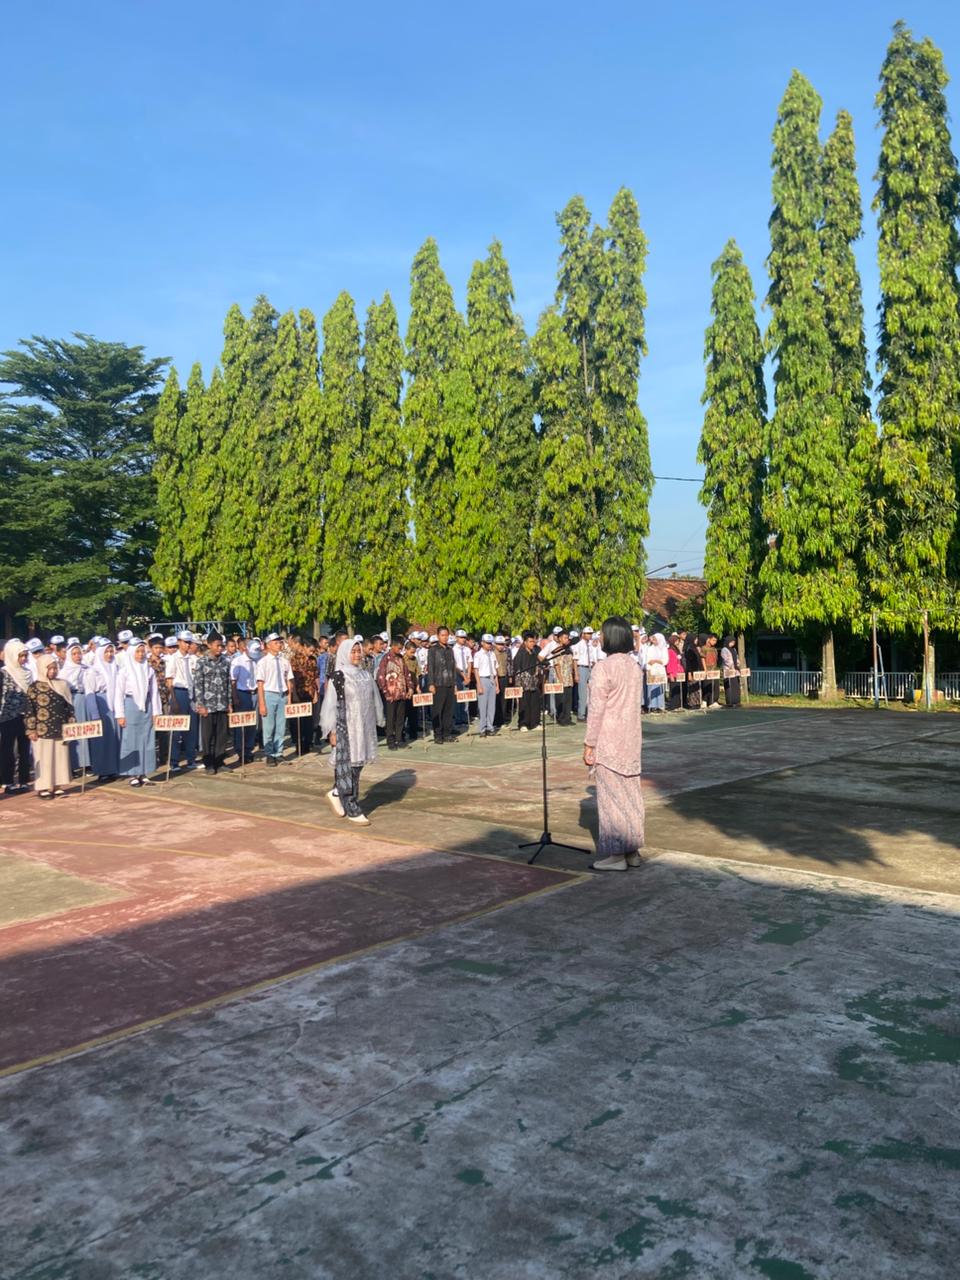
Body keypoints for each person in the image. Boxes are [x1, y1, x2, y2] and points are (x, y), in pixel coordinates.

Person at [582, 616, 645, 872]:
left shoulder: (603, 668)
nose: (600, 638)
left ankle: (616, 855)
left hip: (609, 739)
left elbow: (596, 709)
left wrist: (589, 743)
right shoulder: (634, 666)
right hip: (630, 739)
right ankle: (633, 851)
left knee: (610, 800)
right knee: (631, 796)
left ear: (611, 637)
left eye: (603, 634)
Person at [320, 636, 384, 824]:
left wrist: (377, 719)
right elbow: (331, 705)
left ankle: (336, 791)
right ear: (344, 653)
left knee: (358, 763)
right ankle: (352, 805)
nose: (356, 655)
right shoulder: (338, 676)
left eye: (358, 651)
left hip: (363, 726)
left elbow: (374, 700)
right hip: (346, 726)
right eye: (353, 651)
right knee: (348, 765)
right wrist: (332, 730)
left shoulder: (364, 674)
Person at [25, 653, 76, 799]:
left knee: (60, 757)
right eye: (49, 669)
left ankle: (58, 785)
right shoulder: (34, 687)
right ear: (42, 669)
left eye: (55, 668)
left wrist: (71, 724)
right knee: (44, 758)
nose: (53, 671)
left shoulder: (63, 684)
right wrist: (31, 730)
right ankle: (43, 787)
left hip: (61, 728)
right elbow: (30, 710)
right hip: (42, 730)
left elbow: (69, 707)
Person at [114, 638, 161, 786]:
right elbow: (118, 693)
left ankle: (144, 772)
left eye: (142, 651)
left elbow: (154, 692)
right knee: (131, 739)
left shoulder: (149, 669)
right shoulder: (124, 670)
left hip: (146, 706)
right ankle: (132, 774)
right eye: (137, 652)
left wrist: (156, 712)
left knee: (146, 739)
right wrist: (120, 715)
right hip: (130, 705)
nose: (140, 655)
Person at [194, 631, 233, 773]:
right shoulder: (201, 662)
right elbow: (198, 685)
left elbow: (228, 683)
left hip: (222, 704)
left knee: (222, 735)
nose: (220, 648)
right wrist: (201, 705)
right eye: (217, 646)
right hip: (208, 706)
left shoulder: (225, 662)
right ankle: (209, 763)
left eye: (222, 646)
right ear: (209, 645)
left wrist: (229, 702)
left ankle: (220, 761)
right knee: (207, 736)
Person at [256, 632, 294, 767]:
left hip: (282, 695)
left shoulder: (284, 661)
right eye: (276, 642)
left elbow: (289, 680)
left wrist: (289, 698)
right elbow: (260, 684)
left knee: (281, 727)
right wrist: (261, 703)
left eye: (280, 642)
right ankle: (269, 753)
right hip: (269, 694)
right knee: (269, 727)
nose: (279, 645)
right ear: (268, 645)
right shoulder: (263, 662)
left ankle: (279, 752)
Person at [84, 641, 121, 780]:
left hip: (114, 705)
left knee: (114, 739)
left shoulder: (116, 668)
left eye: (111, 651)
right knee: (101, 740)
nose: (110, 654)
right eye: (106, 652)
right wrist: (95, 714)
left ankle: (113, 768)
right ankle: (102, 771)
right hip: (101, 705)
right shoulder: (93, 671)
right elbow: (90, 692)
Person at [1, 639, 33, 794]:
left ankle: (24, 780)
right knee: (8, 749)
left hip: (24, 716)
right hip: (7, 717)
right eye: (21, 656)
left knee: (24, 749)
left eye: (25, 655)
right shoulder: (4, 673)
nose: (24, 659)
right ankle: (7, 781)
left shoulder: (28, 673)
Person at [165, 630, 199, 770]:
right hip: (178, 692)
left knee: (192, 728)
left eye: (189, 642)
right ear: (179, 642)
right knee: (177, 728)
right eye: (185, 642)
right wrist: (173, 699)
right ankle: (174, 761)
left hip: (191, 692)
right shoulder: (173, 658)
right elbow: (169, 680)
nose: (188, 645)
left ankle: (191, 759)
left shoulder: (193, 659)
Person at [58, 641, 92, 775]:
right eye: (74, 654)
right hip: (72, 700)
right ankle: (74, 763)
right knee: (74, 731)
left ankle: (87, 763)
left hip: (84, 699)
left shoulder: (86, 668)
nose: (78, 656)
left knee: (86, 730)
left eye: (79, 653)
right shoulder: (64, 671)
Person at [376, 636, 414, 750]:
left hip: (402, 693)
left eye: (401, 648)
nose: (400, 650)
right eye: (398, 648)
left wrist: (410, 688)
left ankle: (399, 739)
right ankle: (390, 741)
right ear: (392, 646)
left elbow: (407, 674)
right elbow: (381, 676)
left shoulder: (401, 658)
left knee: (400, 718)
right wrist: (386, 692)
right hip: (390, 694)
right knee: (391, 719)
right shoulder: (385, 659)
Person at [289, 634, 319, 754]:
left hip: (310, 693)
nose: (312, 652)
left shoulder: (313, 660)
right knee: (297, 722)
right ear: (304, 647)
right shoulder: (294, 659)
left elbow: (315, 676)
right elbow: (292, 679)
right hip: (298, 693)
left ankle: (308, 743)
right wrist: (294, 694)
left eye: (314, 650)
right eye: (310, 650)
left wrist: (316, 692)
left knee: (309, 721)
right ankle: (299, 744)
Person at [427, 625, 457, 745]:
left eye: (446, 635)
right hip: (438, 683)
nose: (445, 638)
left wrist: (455, 684)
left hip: (449, 683)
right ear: (438, 636)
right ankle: (437, 735)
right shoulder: (433, 650)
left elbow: (453, 668)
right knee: (437, 710)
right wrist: (431, 683)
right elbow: (430, 667)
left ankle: (447, 733)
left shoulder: (450, 650)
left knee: (448, 711)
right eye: (442, 635)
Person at [230, 636, 258, 759]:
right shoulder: (238, 661)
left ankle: (248, 749)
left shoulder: (257, 659)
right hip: (242, 693)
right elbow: (233, 681)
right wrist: (235, 696)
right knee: (242, 723)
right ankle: (240, 750)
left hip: (255, 693)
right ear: (245, 648)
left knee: (252, 724)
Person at [513, 631, 542, 732]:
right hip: (523, 683)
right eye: (530, 641)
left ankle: (534, 723)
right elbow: (516, 669)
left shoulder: (535, 652)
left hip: (534, 682)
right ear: (525, 642)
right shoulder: (521, 653)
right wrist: (518, 685)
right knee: (524, 703)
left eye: (533, 641)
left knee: (534, 703)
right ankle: (523, 724)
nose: (532, 643)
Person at [472, 634, 500, 737]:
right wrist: (479, 685)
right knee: (483, 706)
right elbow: (476, 670)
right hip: (483, 680)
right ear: (482, 643)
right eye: (487, 643)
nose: (489, 645)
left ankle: (490, 727)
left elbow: (495, 670)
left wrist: (497, 685)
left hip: (492, 679)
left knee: (491, 706)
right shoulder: (478, 655)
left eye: (490, 643)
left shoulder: (492, 654)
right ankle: (482, 729)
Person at [552, 629, 578, 727]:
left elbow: (572, 663)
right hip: (561, 677)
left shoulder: (569, 650)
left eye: (568, 638)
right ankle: (561, 718)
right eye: (565, 638)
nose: (567, 640)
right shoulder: (557, 650)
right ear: (559, 639)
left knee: (568, 699)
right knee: (561, 699)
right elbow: (557, 665)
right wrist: (560, 679)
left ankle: (567, 718)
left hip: (569, 677)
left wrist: (574, 674)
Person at [573, 626, 597, 721]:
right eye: (587, 633)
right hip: (581, 667)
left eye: (591, 633)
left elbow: (592, 658)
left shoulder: (591, 645)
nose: (589, 635)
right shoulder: (578, 645)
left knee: (592, 692)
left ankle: (589, 713)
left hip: (590, 668)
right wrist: (576, 673)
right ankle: (581, 715)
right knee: (582, 693)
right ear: (583, 634)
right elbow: (575, 660)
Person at [646, 633, 669, 713]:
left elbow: (665, 661)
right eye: (654, 639)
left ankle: (660, 705)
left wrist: (656, 661)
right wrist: (648, 668)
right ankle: (652, 705)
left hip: (660, 670)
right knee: (652, 687)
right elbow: (647, 659)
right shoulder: (650, 648)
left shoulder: (663, 649)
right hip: (652, 670)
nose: (654, 641)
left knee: (659, 687)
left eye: (656, 639)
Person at [684, 634, 705, 711]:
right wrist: (689, 673)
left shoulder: (694, 648)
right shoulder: (689, 649)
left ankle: (697, 702)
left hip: (697, 670)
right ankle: (692, 703)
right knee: (692, 687)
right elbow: (688, 662)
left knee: (697, 687)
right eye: (695, 639)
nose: (696, 640)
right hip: (692, 670)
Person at [720, 636, 743, 708]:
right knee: (730, 685)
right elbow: (726, 660)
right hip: (728, 670)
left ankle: (736, 701)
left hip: (735, 671)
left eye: (734, 642)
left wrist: (738, 664)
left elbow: (736, 657)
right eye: (731, 642)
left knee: (736, 685)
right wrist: (732, 666)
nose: (732, 644)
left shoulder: (734, 649)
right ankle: (730, 701)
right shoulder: (724, 649)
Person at [665, 634, 685, 712]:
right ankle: (673, 705)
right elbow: (670, 663)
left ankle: (678, 704)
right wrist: (671, 674)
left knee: (678, 688)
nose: (677, 642)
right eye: (676, 641)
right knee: (673, 688)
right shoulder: (670, 650)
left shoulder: (676, 649)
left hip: (679, 671)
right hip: (673, 672)